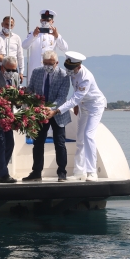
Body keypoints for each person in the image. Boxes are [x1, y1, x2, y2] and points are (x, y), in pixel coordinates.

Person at [46, 51, 106, 181]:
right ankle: (80, 171)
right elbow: (76, 94)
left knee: (88, 135)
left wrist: (56, 111)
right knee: (80, 138)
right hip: (83, 105)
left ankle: (92, 172)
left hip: (95, 106)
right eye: (67, 67)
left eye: (71, 68)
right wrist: (78, 105)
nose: (68, 71)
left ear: (78, 66)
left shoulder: (85, 77)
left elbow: (74, 99)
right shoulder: (72, 71)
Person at [22, 50, 71, 182]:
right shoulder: (37, 72)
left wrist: (51, 109)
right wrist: (24, 95)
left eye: (50, 63)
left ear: (57, 63)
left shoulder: (64, 75)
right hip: (40, 113)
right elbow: (31, 88)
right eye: (45, 63)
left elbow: (62, 97)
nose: (48, 66)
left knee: (60, 143)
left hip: (57, 113)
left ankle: (62, 173)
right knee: (38, 143)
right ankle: (36, 172)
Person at [22, 9, 68, 84]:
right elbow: (24, 46)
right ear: (40, 20)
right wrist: (33, 35)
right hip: (35, 69)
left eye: (48, 20)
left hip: (50, 70)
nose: (45, 22)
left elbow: (65, 48)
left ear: (52, 22)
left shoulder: (55, 35)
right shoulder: (33, 33)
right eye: (43, 19)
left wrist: (57, 36)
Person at [0, 16, 25, 84]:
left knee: (13, 88)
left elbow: (20, 55)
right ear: (2, 24)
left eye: (11, 25)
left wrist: (21, 72)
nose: (8, 27)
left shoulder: (17, 38)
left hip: (13, 68)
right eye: (6, 24)